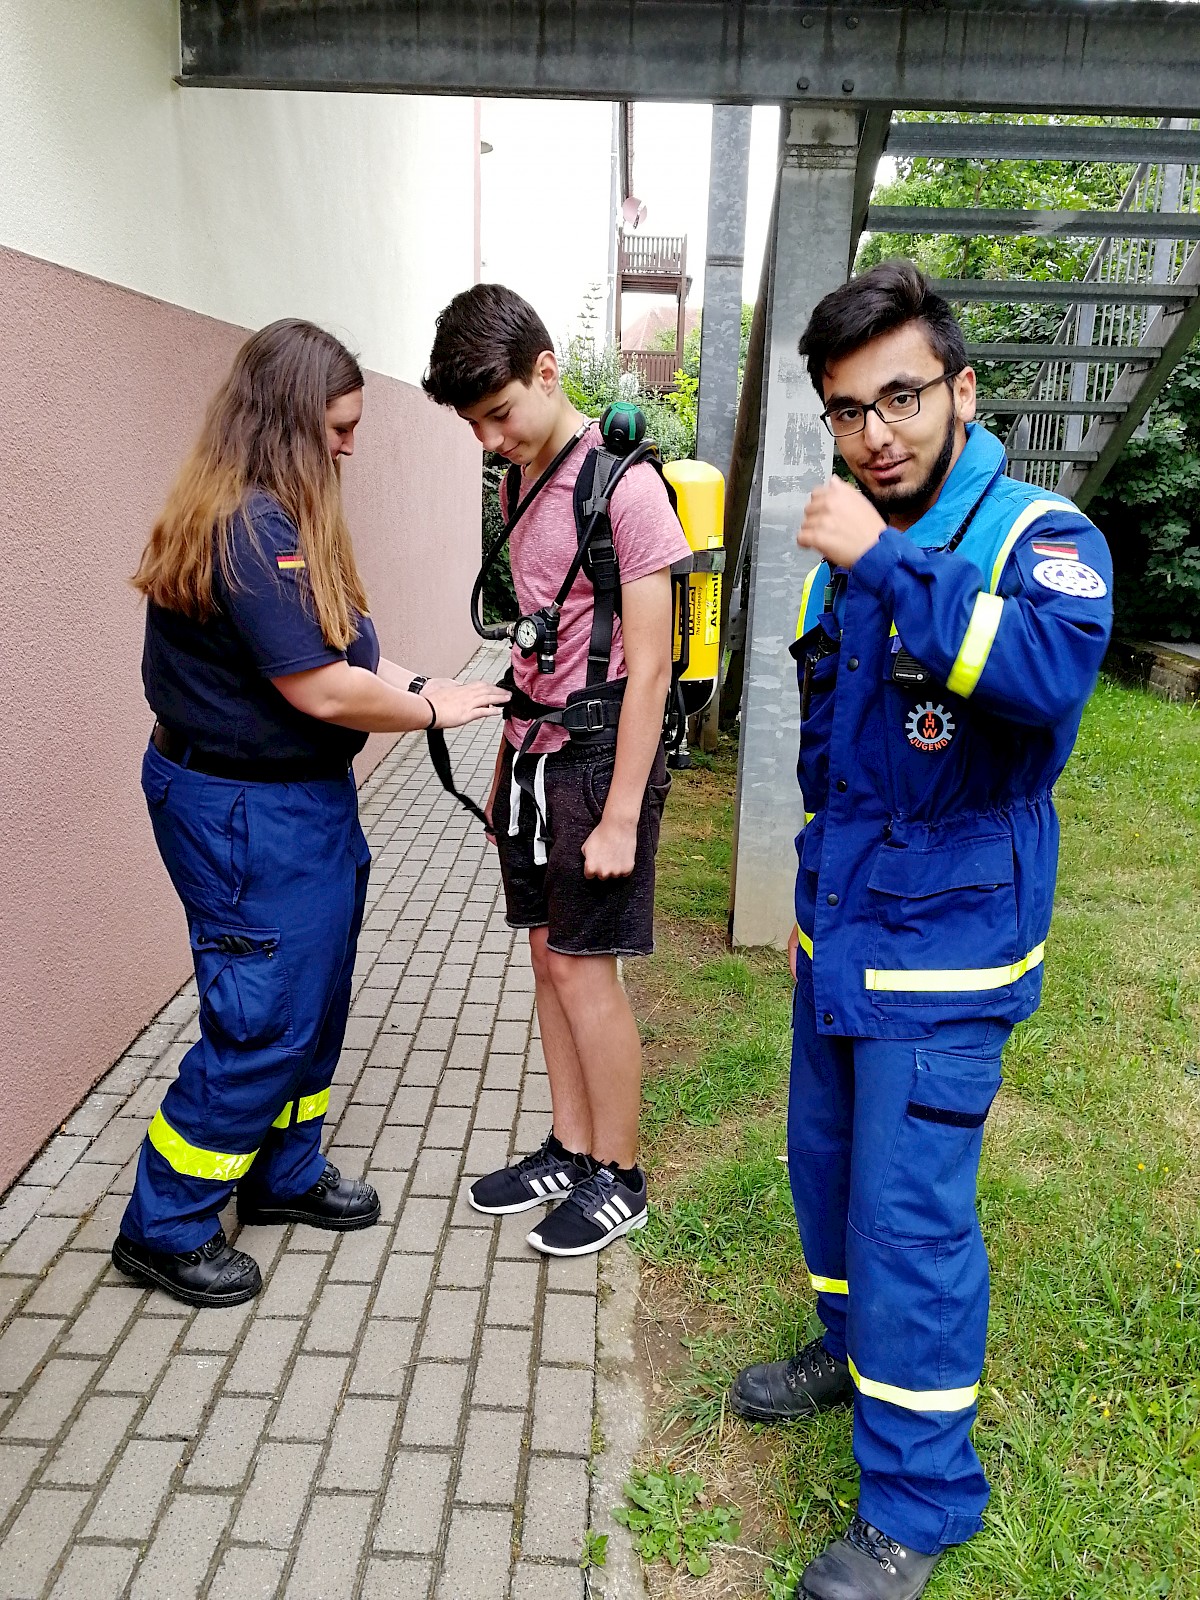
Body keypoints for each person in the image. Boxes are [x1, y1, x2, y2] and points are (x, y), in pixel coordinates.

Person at [729, 263, 1113, 1599]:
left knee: (910, 1220)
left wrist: (886, 561)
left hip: (947, 951)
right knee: (826, 1172)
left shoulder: (1037, 535)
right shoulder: (851, 533)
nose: (874, 431)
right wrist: (807, 906)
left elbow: (1047, 675)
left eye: (898, 397)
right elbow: (842, 749)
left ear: (960, 389)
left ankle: (921, 1503)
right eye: (846, 409)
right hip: (845, 928)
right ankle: (850, 1353)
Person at [114, 319, 507, 1309]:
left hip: (293, 806)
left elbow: (351, 658)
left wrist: (429, 681)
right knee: (265, 1021)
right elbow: (323, 691)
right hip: (247, 810)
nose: (347, 446)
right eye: (337, 427)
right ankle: (163, 1226)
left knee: (310, 1001)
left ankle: (280, 1173)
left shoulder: (278, 521)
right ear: (288, 424)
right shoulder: (248, 530)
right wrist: (430, 708)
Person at [422, 284, 691, 1256]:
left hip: (599, 759)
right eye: (474, 425)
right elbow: (538, 635)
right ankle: (571, 1147)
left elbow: (653, 664)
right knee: (546, 958)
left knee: (585, 970)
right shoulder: (515, 480)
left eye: (499, 414)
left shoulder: (627, 487)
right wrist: (504, 767)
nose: (490, 439)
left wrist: (621, 812)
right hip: (531, 757)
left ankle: (619, 1175)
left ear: (546, 372)